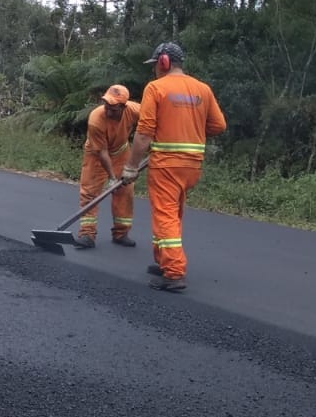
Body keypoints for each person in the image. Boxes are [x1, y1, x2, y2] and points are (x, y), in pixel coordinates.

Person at [120, 42, 226, 292]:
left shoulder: (156, 88)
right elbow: (219, 126)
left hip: (167, 163)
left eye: (155, 65)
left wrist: (130, 167)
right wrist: (192, 129)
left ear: (163, 62)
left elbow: (144, 134)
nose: (154, 70)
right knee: (173, 213)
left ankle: (174, 272)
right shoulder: (203, 89)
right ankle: (163, 260)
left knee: (164, 214)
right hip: (192, 165)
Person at [72, 84, 141, 250]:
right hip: (96, 155)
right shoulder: (96, 118)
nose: (109, 111)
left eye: (114, 109)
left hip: (121, 151)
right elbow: (102, 152)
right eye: (107, 106)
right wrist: (112, 178)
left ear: (124, 107)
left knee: (125, 191)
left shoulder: (134, 110)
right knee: (89, 192)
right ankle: (87, 234)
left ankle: (121, 233)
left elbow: (153, 121)